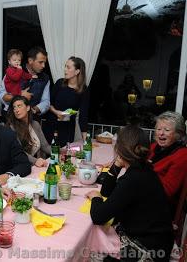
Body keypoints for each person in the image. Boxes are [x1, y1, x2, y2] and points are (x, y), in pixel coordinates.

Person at [86, 125, 173, 261]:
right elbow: (107, 191)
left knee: (90, 254)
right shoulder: (144, 169)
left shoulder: (133, 179)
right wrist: (117, 165)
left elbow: (98, 216)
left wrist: (96, 198)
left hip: (148, 250)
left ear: (119, 149)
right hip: (157, 241)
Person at [43, 56, 90, 146]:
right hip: (51, 125)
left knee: (65, 156)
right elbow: (49, 103)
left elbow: (83, 115)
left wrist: (85, 140)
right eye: (65, 66)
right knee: (51, 155)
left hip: (67, 129)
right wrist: (56, 112)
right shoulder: (59, 83)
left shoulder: (84, 90)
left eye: (68, 67)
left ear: (77, 71)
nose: (65, 70)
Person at [148, 111, 187, 210]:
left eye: (167, 130)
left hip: (159, 207)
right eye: (158, 129)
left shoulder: (182, 155)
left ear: (178, 133)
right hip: (144, 196)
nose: (161, 133)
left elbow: (166, 192)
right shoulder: (153, 147)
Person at [0, 46, 50, 118]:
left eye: (44, 63)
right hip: (11, 118)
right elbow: (0, 96)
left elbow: (46, 101)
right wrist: (18, 95)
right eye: (40, 62)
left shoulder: (45, 78)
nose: (43, 66)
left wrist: (32, 110)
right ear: (30, 60)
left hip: (32, 119)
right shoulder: (13, 71)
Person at [6, 95, 50, 167]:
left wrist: (62, 151)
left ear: (28, 108)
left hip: (31, 166)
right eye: (14, 108)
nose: (16, 110)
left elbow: (45, 146)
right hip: (18, 167)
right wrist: (35, 161)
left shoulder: (35, 124)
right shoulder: (12, 128)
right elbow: (19, 152)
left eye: (19, 106)